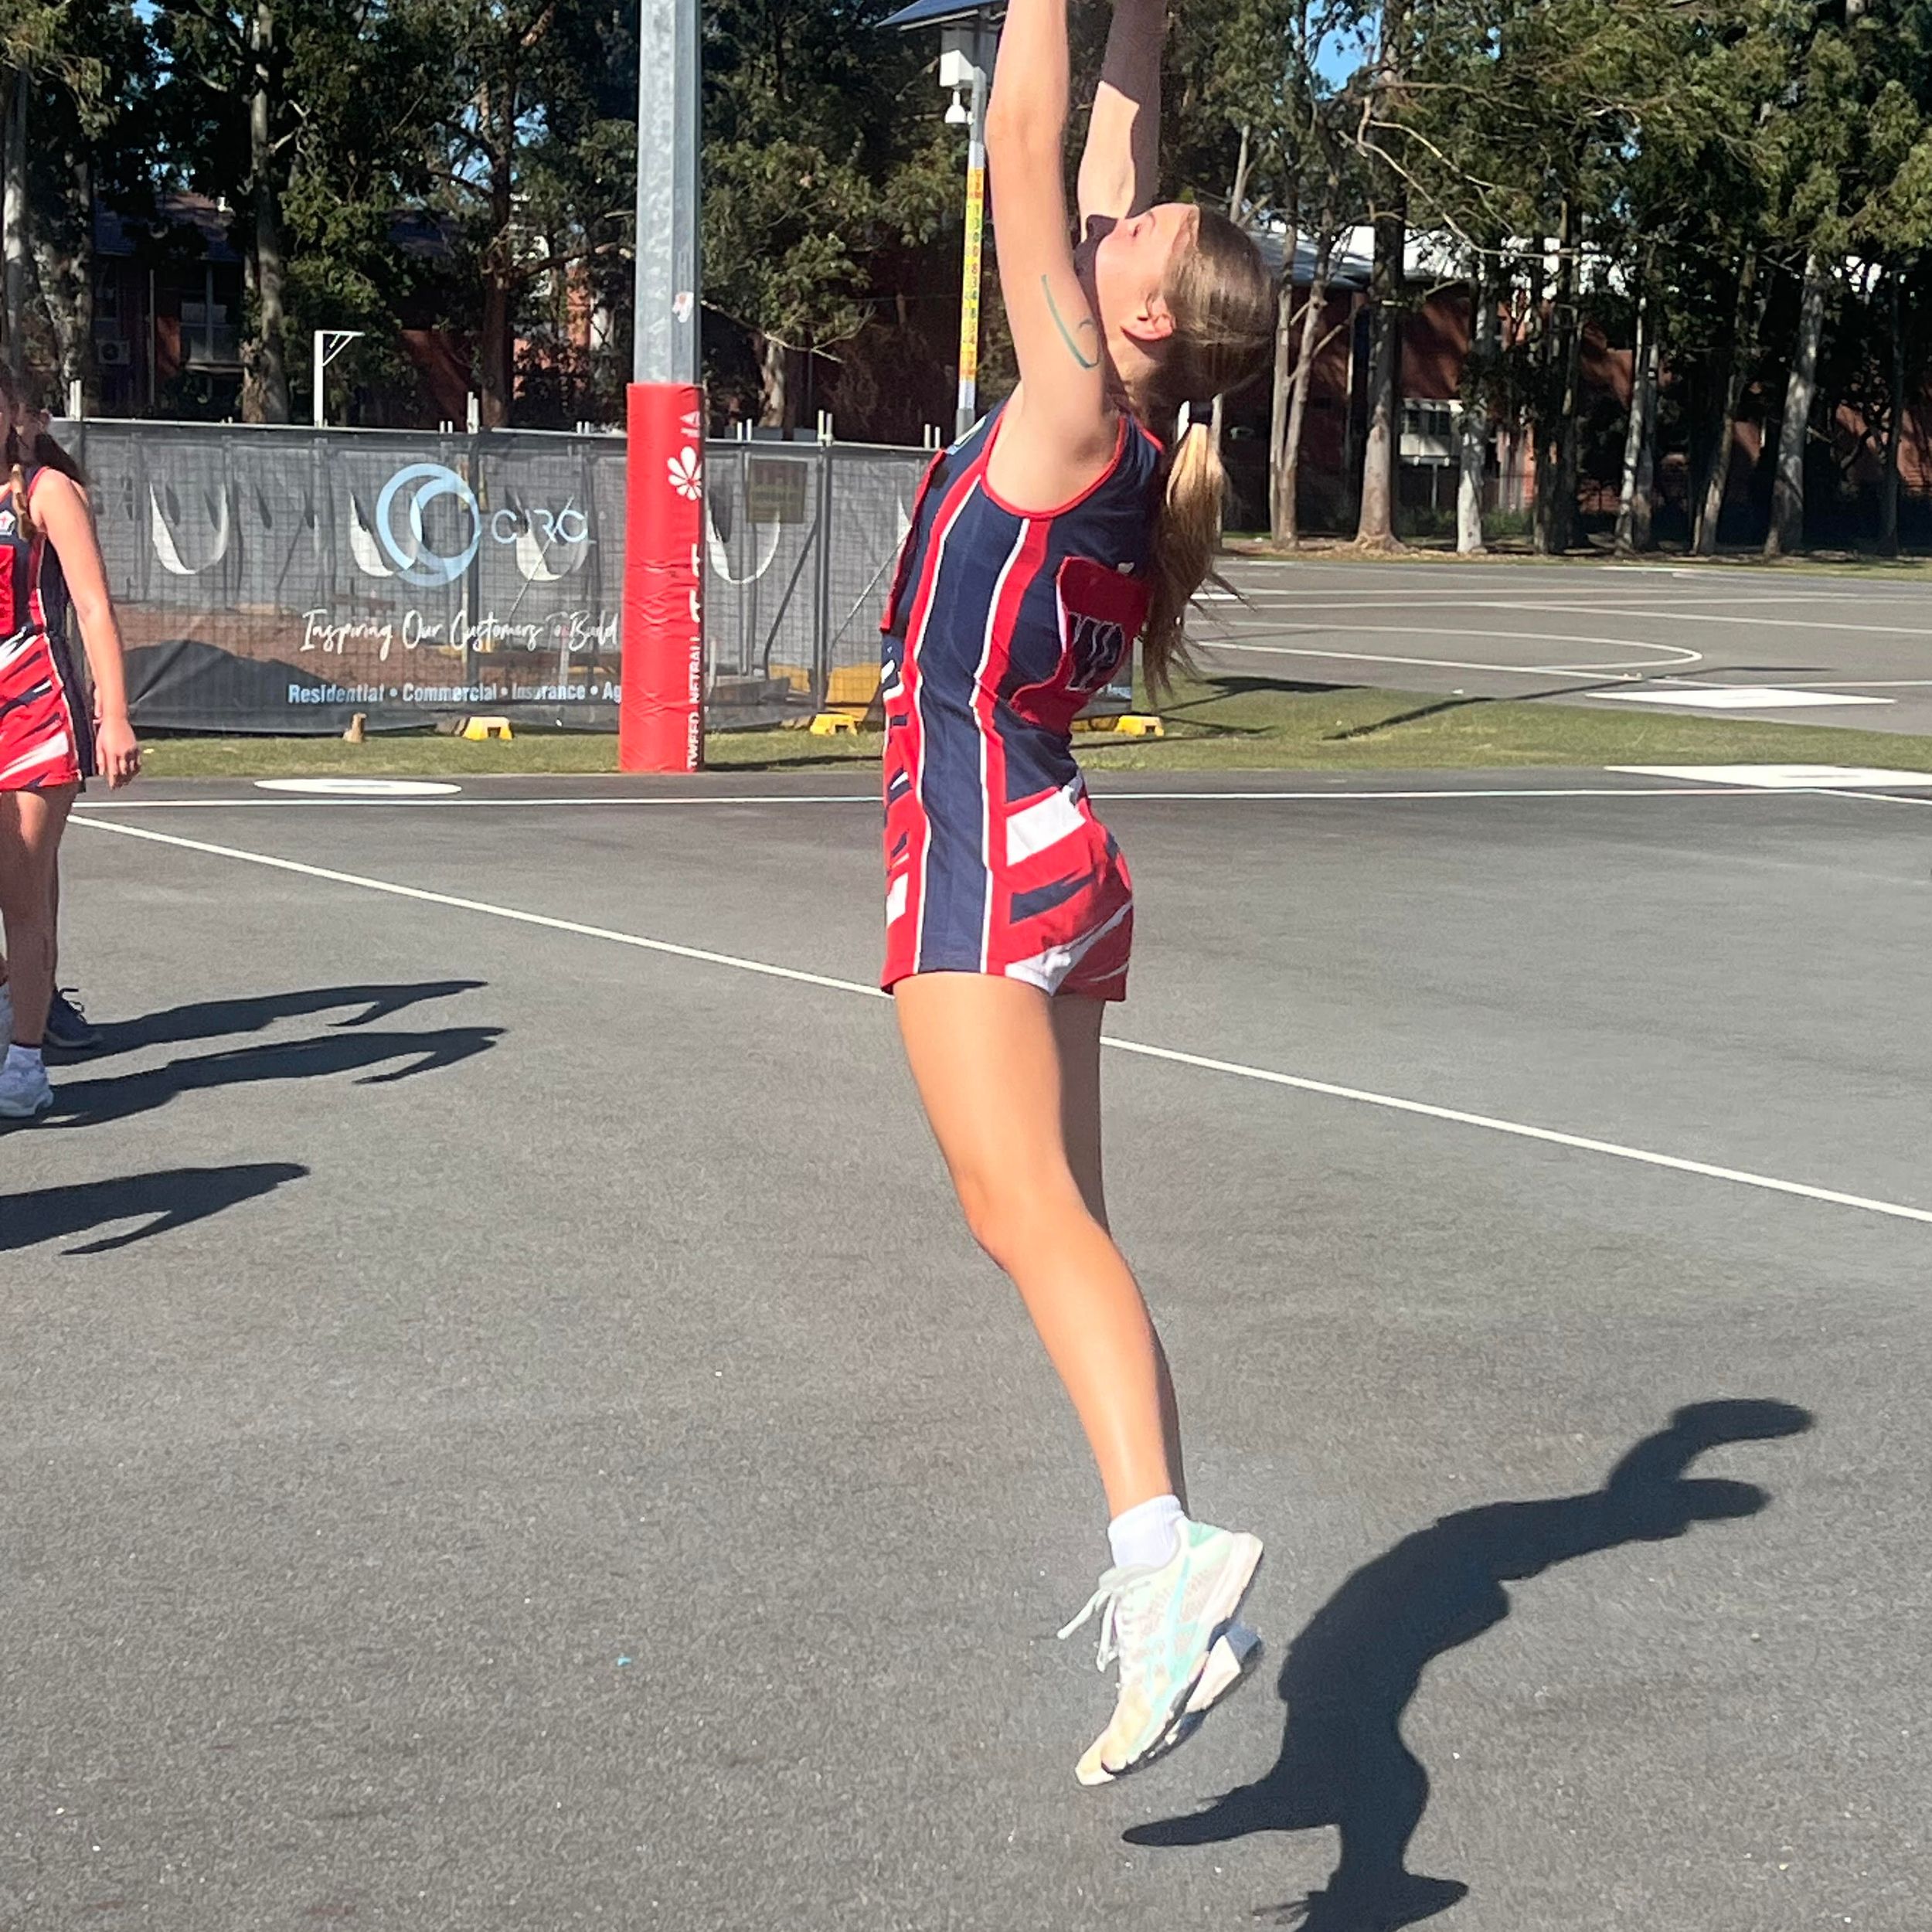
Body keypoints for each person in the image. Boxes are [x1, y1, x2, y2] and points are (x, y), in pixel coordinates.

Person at [877, 0, 1276, 1782]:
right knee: (1061, 1227)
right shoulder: (1113, 415)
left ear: (1142, 312)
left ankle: (1163, 1559)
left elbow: (1023, 139)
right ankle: (1161, 1570)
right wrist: (1147, 21)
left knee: (1020, 1212)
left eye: (1145, 234)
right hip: (1055, 841)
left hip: (984, 827)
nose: (1125, 215)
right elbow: (1104, 142)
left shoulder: (1066, 398)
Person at [0, 372, 139, 1118]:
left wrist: (113, 714)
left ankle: (25, 1063)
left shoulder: (45, 493)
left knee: (22, 895)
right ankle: (11, 994)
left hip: (35, 708)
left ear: (11, 417)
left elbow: (92, 606)